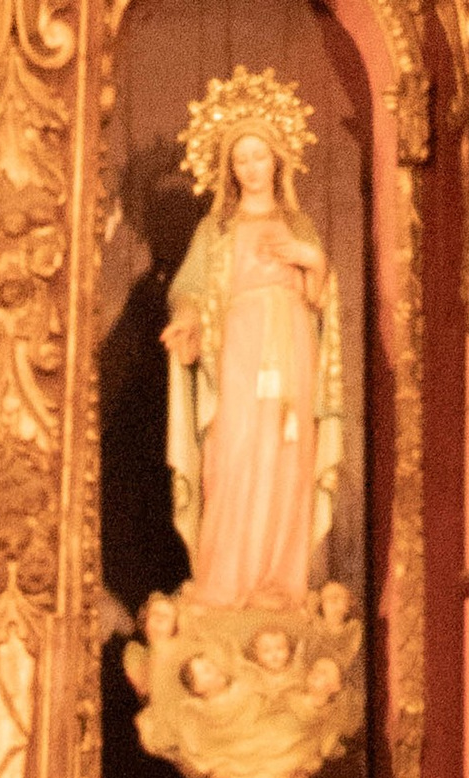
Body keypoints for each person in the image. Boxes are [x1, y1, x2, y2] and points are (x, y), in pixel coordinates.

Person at [162, 100, 343, 613]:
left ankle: (279, 584)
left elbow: (322, 298)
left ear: (277, 161)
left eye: (259, 157)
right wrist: (188, 320)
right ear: (229, 169)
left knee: (288, 459)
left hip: (291, 353)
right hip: (237, 354)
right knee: (233, 453)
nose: (251, 168)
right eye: (240, 160)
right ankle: (224, 581)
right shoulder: (215, 231)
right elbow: (189, 289)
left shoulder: (299, 223)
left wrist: (313, 261)